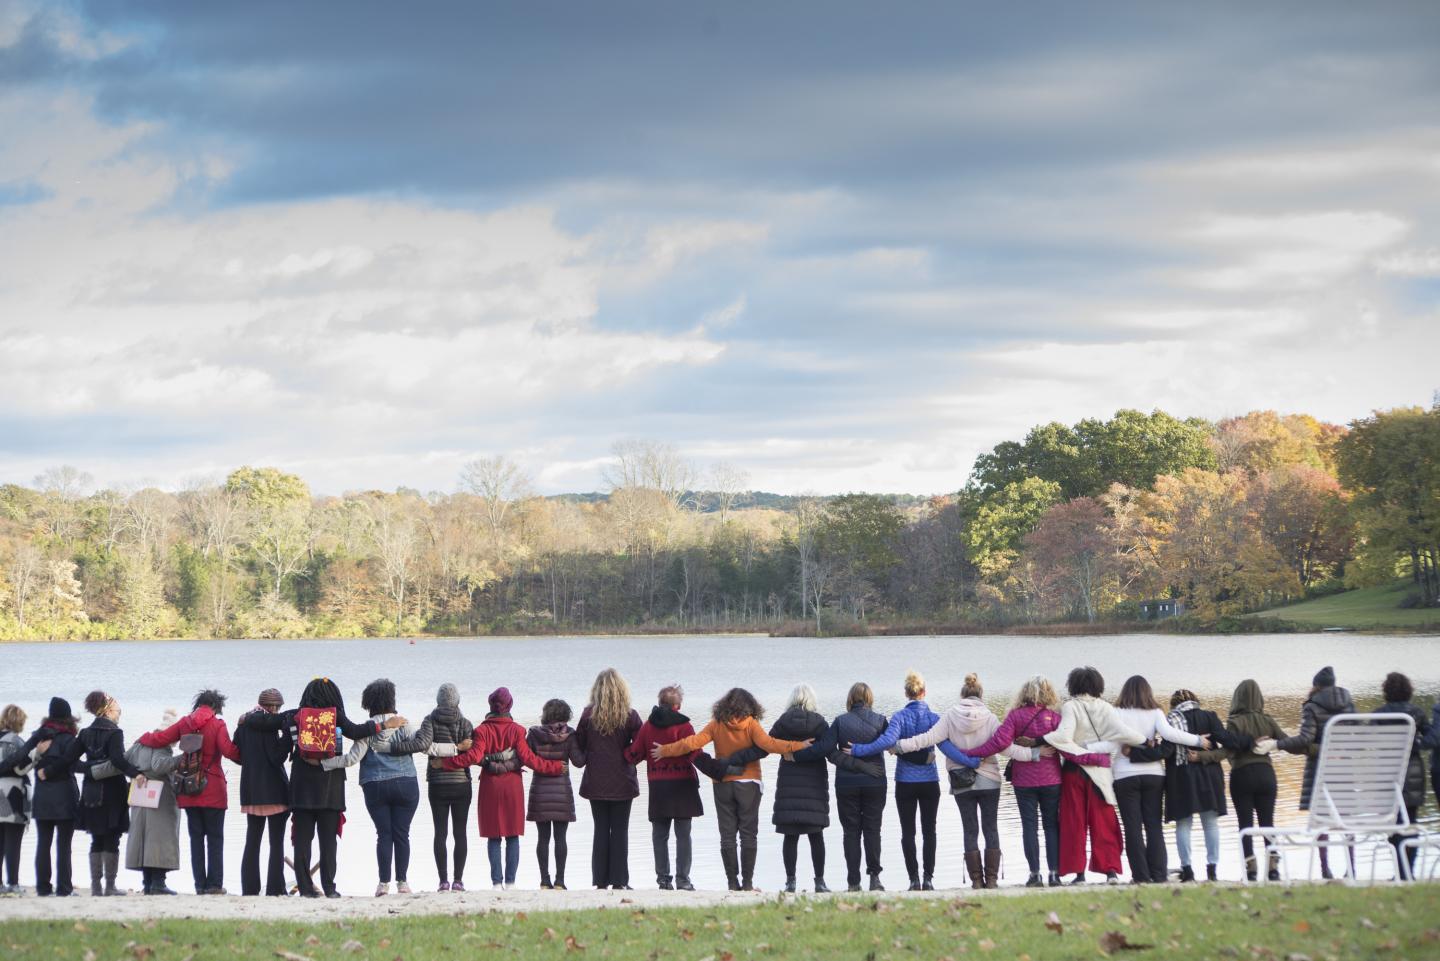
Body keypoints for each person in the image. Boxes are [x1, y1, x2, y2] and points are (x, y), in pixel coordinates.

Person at [239, 678, 405, 898]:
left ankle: (306, 889)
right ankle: (329, 887)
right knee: (328, 841)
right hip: (331, 783)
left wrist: (247, 717)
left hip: (301, 783)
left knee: (302, 840)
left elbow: (266, 724)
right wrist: (384, 725)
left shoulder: (295, 715)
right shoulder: (335, 715)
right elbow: (356, 731)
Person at [655, 688, 812, 891]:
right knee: (748, 834)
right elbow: (771, 745)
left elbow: (691, 743)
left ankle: (732, 882)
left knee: (727, 835)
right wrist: (799, 745)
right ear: (750, 706)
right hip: (749, 784)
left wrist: (665, 750)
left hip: (723, 784)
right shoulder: (751, 725)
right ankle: (747, 884)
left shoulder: (716, 724)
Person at [892, 672, 1030, 890]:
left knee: (970, 829)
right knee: (990, 828)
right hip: (989, 780)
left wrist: (900, 746)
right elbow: (1005, 748)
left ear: (963, 694)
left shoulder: (949, 716)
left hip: (961, 782)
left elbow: (927, 739)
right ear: (980, 694)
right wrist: (1032, 754)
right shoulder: (991, 718)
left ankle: (976, 881)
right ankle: (992, 881)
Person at [848, 670, 976, 891]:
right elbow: (948, 749)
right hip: (929, 783)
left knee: (908, 832)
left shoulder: (899, 717)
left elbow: (886, 742)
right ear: (924, 692)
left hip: (905, 782)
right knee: (930, 831)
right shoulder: (935, 718)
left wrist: (859, 749)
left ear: (906, 693)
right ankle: (928, 878)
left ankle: (913, 879)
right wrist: (971, 762)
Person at [440, 688, 565, 888]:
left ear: (491, 706)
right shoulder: (517, 730)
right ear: (509, 706)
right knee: (513, 835)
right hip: (512, 786)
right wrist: (555, 767)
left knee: (494, 836)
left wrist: (446, 764)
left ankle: (496, 883)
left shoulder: (481, 730)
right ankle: (511, 883)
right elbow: (529, 759)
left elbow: (473, 757)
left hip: (490, 786)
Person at [954, 675, 1065, 888]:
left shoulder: (1015, 717)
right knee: (1052, 826)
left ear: (1024, 693)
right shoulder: (1055, 718)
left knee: (1029, 826)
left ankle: (1034, 875)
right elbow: (1065, 745)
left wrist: (968, 754)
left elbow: (998, 743)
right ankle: (1054, 874)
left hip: (1025, 781)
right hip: (1052, 779)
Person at [1042, 666, 1144, 885]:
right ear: (1098, 684)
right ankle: (1111, 872)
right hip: (1101, 772)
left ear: (1073, 685)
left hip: (1074, 771)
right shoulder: (1107, 708)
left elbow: (1063, 736)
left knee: (1074, 821)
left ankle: (1078, 873)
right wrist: (1143, 739)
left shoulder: (1070, 706)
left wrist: (1043, 739)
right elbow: (1124, 734)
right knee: (1104, 821)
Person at [321, 679, 420, 896]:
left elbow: (351, 759)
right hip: (406, 783)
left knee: (384, 834)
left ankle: (383, 884)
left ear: (369, 703)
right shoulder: (404, 723)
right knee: (402, 834)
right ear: (392, 699)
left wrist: (323, 764)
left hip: (375, 786)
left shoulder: (368, 729)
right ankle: (402, 883)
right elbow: (420, 743)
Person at [137, 689, 241, 894]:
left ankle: (199, 885)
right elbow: (230, 752)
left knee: (196, 840)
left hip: (188, 789)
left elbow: (160, 739)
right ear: (216, 706)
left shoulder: (185, 723)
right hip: (213, 789)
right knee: (215, 839)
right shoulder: (218, 724)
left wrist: (143, 738)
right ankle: (214, 885)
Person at [1110, 676, 1208, 884]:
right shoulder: (1155, 713)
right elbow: (1171, 734)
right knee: (1154, 826)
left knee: (1133, 828)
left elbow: (1110, 743)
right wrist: (1198, 740)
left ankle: (1140, 876)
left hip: (1125, 775)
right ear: (1148, 692)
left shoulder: (1116, 713)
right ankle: (1159, 874)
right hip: (1154, 775)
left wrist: (1083, 750)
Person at [383, 683, 475, 891]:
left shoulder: (429, 721)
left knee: (440, 833)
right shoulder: (466, 724)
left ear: (438, 701)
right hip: (461, 784)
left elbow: (421, 745)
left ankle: (443, 881)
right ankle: (458, 881)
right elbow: (470, 756)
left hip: (438, 784)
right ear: (458, 701)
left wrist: (394, 748)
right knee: (460, 833)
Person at [1276, 666, 1355, 879]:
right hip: (1346, 771)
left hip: (1322, 770)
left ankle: (1325, 868)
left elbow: (1305, 739)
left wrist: (1279, 744)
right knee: (1346, 818)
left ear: (1316, 686)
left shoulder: (1312, 706)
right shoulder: (1349, 703)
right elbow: (1354, 736)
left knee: (1321, 819)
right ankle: (1351, 868)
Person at [93, 709, 182, 895]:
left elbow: (119, 763)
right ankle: (158, 883)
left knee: (143, 839)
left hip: (140, 795)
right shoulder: (162, 746)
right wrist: (183, 759)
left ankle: (147, 882)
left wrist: (93, 771)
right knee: (161, 839)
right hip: (161, 798)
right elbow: (159, 765)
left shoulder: (139, 745)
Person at [624, 685, 703, 891]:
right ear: (678, 705)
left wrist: (620, 751)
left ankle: (663, 879)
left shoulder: (648, 726)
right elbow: (694, 752)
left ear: (660, 703)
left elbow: (634, 755)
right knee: (683, 834)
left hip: (658, 786)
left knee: (660, 834)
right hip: (683, 784)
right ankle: (683, 880)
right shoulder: (685, 726)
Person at [0, 698, 81, 896]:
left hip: (43, 798)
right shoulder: (70, 739)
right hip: (65, 797)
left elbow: (21, 760)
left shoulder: (39, 737)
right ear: (69, 718)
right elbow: (71, 764)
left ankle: (43, 888)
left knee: (43, 844)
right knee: (64, 846)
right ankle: (64, 888)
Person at [1155, 689, 1238, 882]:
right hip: (1209, 775)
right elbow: (1225, 742)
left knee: (1183, 825)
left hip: (1180, 776)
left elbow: (1167, 750)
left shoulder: (1170, 720)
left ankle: (1188, 870)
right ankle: (1212, 869)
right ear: (1196, 701)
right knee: (1210, 823)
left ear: (1174, 704)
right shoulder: (1209, 716)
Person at [68, 691, 146, 896]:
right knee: (112, 837)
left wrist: (89, 769)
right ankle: (109, 886)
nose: (119, 711)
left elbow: (70, 761)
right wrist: (136, 774)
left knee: (96, 838)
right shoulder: (115, 733)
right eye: (117, 707)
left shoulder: (84, 733)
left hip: (91, 792)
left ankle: (95, 886)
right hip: (113, 791)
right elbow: (118, 761)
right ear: (108, 709)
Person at [576, 668, 643, 890]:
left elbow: (580, 745)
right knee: (620, 830)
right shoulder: (630, 715)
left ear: (597, 690)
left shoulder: (588, 716)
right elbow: (640, 745)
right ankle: (620, 881)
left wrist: (590, 757)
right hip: (623, 780)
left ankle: (600, 880)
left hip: (596, 780)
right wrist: (628, 756)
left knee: (601, 829)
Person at [768, 684, 836, 893]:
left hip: (789, 783)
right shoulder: (820, 723)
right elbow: (827, 749)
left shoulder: (783, 722)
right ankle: (820, 881)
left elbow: (769, 742)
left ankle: (790, 881)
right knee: (816, 835)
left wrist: (790, 751)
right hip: (814, 783)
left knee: (791, 835)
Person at [1223, 679, 1286, 881]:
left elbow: (1228, 750)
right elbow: (1287, 741)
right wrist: (1274, 744)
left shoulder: (1234, 722)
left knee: (1245, 824)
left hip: (1242, 775)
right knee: (1267, 822)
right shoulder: (1268, 720)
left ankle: (1250, 868)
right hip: (1266, 775)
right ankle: (1273, 867)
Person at [828, 682, 888, 892]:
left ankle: (853, 882)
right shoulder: (881, 721)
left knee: (850, 832)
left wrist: (853, 764)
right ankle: (874, 878)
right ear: (869, 699)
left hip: (846, 783)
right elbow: (892, 746)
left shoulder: (839, 722)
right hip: (875, 781)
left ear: (850, 699)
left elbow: (829, 752)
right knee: (873, 829)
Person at [232, 688, 291, 896]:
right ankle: (275, 888)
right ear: (274, 707)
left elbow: (236, 752)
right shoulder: (272, 727)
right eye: (278, 707)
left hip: (251, 791)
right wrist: (287, 739)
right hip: (275, 790)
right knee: (276, 843)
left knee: (252, 841)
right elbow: (276, 758)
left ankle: (249, 889)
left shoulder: (243, 724)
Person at [1373, 672, 1431, 878]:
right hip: (1413, 774)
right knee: (1411, 821)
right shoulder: (1416, 712)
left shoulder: (1378, 715)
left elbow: (1370, 744)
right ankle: (1410, 872)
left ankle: (1399, 871)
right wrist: (1416, 744)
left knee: (1395, 824)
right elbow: (1429, 737)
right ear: (1409, 690)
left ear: (1386, 691)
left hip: (1389, 775)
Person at [527, 699, 585, 890]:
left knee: (542, 838)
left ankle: (545, 880)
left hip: (540, 793)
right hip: (561, 793)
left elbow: (526, 758)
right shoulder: (569, 735)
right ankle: (560, 881)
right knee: (561, 838)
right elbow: (578, 761)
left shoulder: (534, 735)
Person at [0, 704, 35, 894]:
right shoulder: (17, 742)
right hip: (12, 794)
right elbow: (22, 768)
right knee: (13, 841)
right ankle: (13, 882)